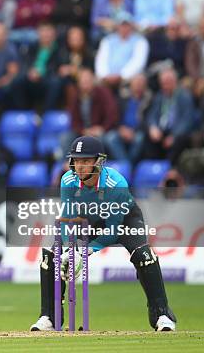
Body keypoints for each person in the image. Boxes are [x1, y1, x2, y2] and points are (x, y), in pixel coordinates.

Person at [30, 135, 177, 332]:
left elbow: (113, 231)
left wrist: (85, 251)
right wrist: (69, 250)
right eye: (76, 160)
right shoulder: (68, 180)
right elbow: (67, 218)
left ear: (99, 161)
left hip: (124, 220)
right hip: (88, 220)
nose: (79, 166)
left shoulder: (116, 184)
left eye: (86, 161)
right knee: (51, 254)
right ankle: (49, 317)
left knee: (144, 256)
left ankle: (162, 315)